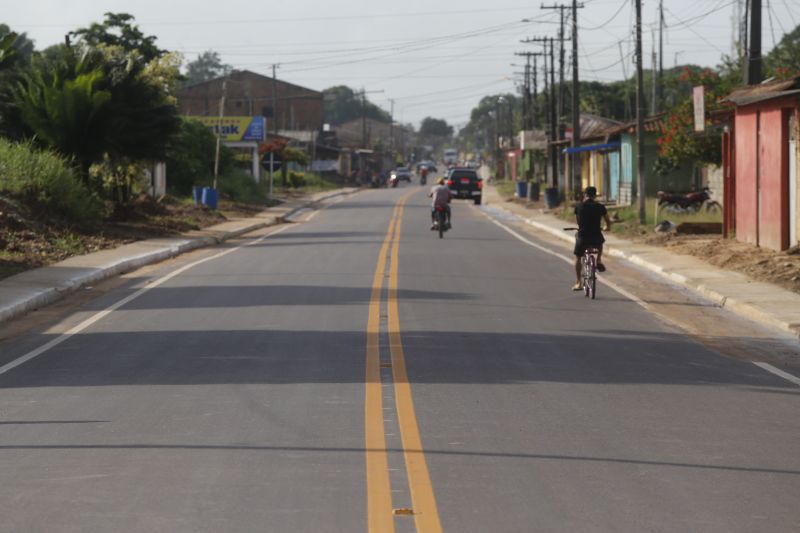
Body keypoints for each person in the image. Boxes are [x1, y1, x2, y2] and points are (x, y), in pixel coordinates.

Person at [573, 186, 611, 291]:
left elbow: (578, 222)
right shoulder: (600, 207)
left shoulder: (579, 206)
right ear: (595, 195)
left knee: (577, 257)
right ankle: (598, 259)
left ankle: (578, 282)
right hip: (596, 238)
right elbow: (607, 220)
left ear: (585, 194)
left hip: (583, 238)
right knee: (601, 242)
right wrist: (607, 227)